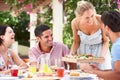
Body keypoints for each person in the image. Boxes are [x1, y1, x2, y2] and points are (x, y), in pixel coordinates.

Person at [70, 0, 111, 69]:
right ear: (79, 16)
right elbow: (76, 42)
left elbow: (106, 41)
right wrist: (71, 54)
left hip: (100, 52)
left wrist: (102, 57)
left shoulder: (101, 20)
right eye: (87, 17)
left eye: (92, 16)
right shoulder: (75, 23)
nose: (91, 19)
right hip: (84, 54)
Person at [82, 10, 120, 80]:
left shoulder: (117, 46)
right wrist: (99, 71)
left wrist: (92, 71)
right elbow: (116, 71)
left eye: (102, 25)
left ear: (107, 28)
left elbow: (118, 75)